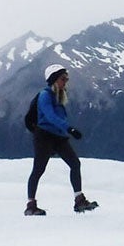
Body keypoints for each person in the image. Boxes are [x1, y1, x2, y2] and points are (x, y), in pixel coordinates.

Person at [25, 63, 98, 215]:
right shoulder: (45, 95)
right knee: (38, 169)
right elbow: (50, 116)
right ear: (54, 80)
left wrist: (65, 130)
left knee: (75, 164)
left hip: (57, 136)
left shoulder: (57, 95)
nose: (66, 82)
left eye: (66, 79)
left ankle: (79, 200)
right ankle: (30, 206)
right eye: (63, 78)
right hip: (44, 136)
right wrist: (69, 129)